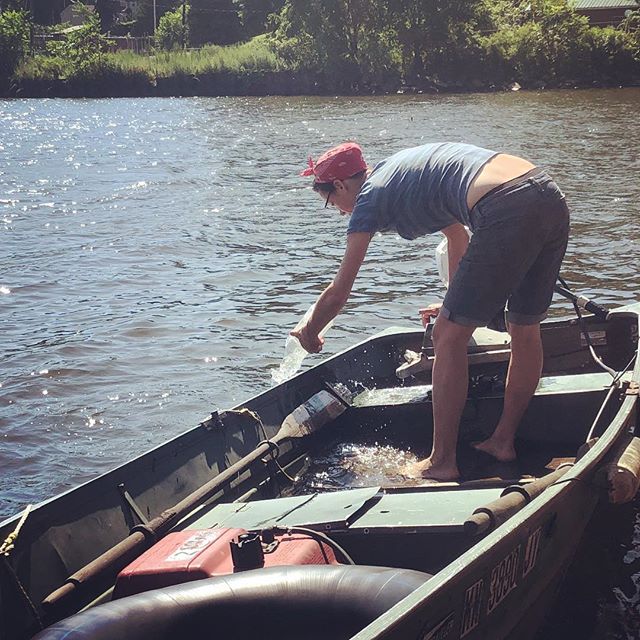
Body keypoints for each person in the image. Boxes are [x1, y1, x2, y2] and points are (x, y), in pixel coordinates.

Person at [291, 141, 570, 481]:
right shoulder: (400, 174)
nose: (337, 210)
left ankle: (441, 463)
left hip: (504, 204)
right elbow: (456, 235)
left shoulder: (370, 197)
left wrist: (310, 331)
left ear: (340, 185)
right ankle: (501, 441)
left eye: (332, 201)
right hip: (546, 191)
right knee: (524, 329)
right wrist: (456, 300)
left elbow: (340, 291)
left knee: (447, 335)